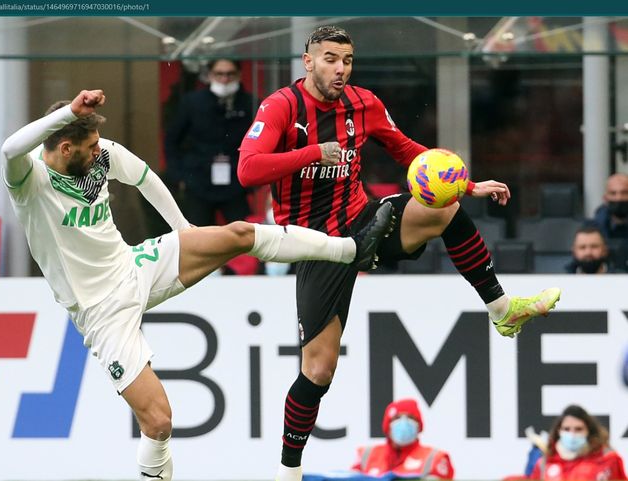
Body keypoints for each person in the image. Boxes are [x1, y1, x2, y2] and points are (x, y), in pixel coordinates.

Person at [0, 89, 396, 481]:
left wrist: (183, 230)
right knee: (158, 422)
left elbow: (143, 177)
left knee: (239, 233)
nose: (98, 152)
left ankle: (351, 250)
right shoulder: (28, 180)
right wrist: (68, 110)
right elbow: (9, 149)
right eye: (88, 147)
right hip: (100, 310)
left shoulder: (99, 154)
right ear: (65, 148)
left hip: (134, 266)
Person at [236, 25, 562, 481]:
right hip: (315, 245)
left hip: (364, 218)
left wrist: (467, 185)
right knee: (319, 370)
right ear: (307, 61)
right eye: (330, 59)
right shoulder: (281, 106)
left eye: (347, 60)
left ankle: (503, 309)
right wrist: (312, 153)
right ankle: (289, 471)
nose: (340, 69)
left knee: (443, 206)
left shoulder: (364, 103)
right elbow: (247, 171)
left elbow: (408, 151)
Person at [164, 59, 255, 226]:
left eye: (230, 74)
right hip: (198, 180)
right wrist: (180, 176)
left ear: (239, 75)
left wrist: (252, 179)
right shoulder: (192, 102)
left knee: (244, 233)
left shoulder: (250, 103)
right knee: (198, 236)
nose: (224, 79)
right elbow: (172, 140)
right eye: (219, 74)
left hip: (236, 181)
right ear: (210, 75)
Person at [351, 398, 454, 479]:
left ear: (419, 425)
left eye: (411, 418)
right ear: (388, 425)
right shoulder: (365, 455)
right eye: (397, 418)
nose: (404, 422)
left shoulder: (436, 458)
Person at [526, 404, 627, 481]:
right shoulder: (544, 463)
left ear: (589, 431)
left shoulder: (608, 460)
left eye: (578, 429)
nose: (572, 434)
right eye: (566, 429)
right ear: (559, 431)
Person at [593, 173, 628, 242]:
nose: (619, 198)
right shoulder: (594, 229)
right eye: (613, 193)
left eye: (624, 193)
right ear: (605, 199)